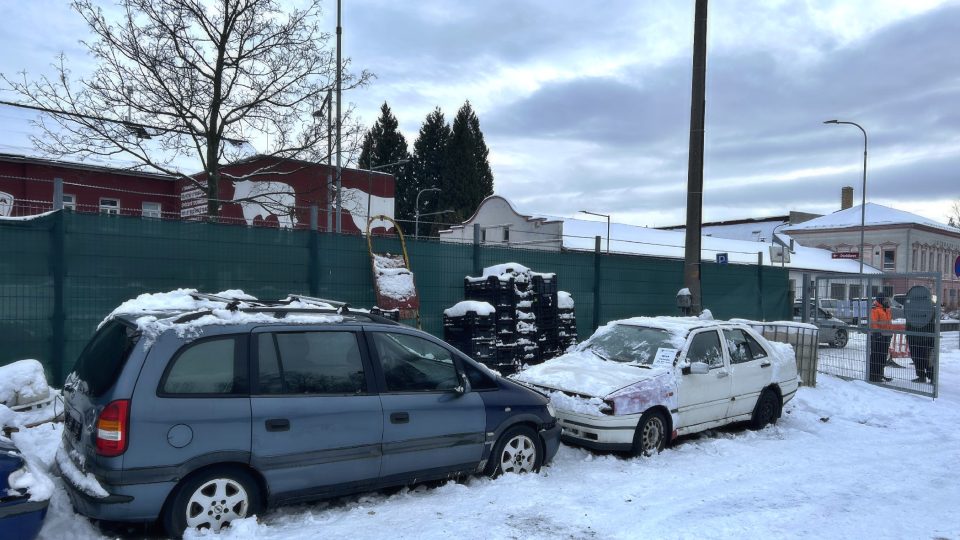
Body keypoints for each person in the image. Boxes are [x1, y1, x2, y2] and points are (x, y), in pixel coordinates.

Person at [869, 293, 893, 383]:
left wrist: (890, 333)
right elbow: (873, 322)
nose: (887, 301)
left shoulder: (886, 309)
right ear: (880, 300)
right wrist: (877, 333)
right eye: (885, 300)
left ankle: (880, 374)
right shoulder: (875, 309)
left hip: (886, 336)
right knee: (876, 356)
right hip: (878, 336)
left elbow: (888, 322)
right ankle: (873, 376)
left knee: (883, 356)